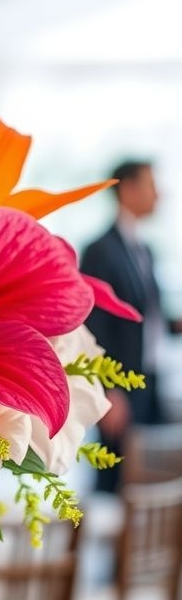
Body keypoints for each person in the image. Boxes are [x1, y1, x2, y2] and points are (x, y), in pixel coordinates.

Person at [80, 160, 180, 489]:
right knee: (114, 476)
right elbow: (96, 326)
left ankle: (138, 540)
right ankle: (109, 542)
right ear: (127, 189)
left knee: (146, 478)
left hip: (150, 378)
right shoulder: (100, 250)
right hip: (121, 384)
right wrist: (109, 390)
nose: (158, 194)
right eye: (151, 185)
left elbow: (148, 318)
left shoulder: (146, 250)